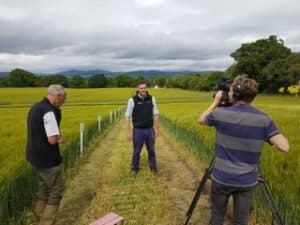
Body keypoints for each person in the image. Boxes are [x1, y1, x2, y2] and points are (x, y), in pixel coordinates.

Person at [198, 75, 289, 225]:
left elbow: (201, 120)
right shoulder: (264, 119)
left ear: (234, 93)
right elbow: (284, 147)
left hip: (221, 177)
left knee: (217, 214)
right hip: (246, 181)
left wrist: (216, 102)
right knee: (240, 221)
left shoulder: (220, 113)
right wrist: (265, 133)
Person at [26, 84, 66, 225]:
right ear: (57, 96)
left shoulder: (35, 107)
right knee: (56, 190)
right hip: (48, 159)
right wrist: (59, 139)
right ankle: (46, 222)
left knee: (43, 189)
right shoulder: (49, 112)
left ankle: (39, 215)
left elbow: (39, 131)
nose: (64, 102)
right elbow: (52, 139)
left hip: (34, 157)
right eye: (63, 98)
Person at [125, 80, 160, 174]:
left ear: (146, 88)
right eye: (141, 88)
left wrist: (157, 129)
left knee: (151, 150)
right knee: (136, 150)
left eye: (144, 87)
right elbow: (127, 117)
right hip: (138, 130)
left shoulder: (152, 99)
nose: (143, 89)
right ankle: (134, 168)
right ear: (137, 89)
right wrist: (128, 132)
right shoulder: (132, 100)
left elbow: (156, 115)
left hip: (149, 129)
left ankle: (153, 168)